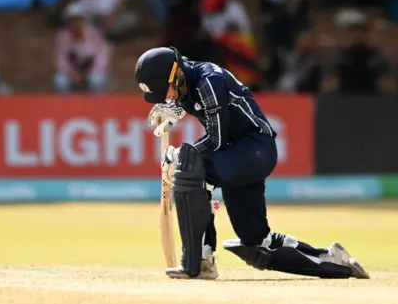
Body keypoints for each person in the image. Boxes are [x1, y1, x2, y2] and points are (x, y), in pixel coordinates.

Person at [134, 46, 370, 280]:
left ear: (176, 74)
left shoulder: (209, 81)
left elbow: (217, 139)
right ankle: (332, 259)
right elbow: (190, 101)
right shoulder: (185, 79)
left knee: (192, 170)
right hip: (236, 155)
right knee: (256, 243)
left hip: (254, 148)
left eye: (165, 91)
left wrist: (182, 155)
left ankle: (200, 260)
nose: (165, 96)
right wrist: (173, 110)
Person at [54, 2, 111, 94]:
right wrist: (72, 74)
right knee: (60, 80)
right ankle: (63, 106)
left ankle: (99, 106)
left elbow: (101, 59)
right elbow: (61, 61)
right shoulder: (62, 37)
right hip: (72, 73)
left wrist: (87, 74)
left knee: (97, 80)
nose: (76, 23)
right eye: (72, 20)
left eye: (78, 20)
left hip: (92, 71)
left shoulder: (95, 34)